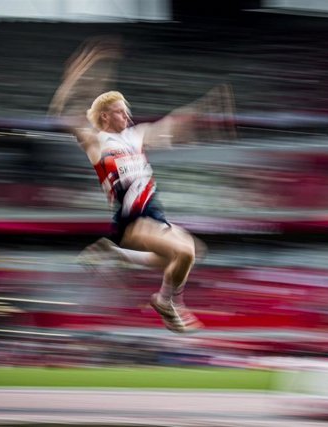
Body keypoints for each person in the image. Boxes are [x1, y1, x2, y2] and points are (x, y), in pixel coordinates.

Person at [49, 38, 235, 333]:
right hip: (132, 221)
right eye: (121, 112)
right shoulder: (97, 142)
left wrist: (203, 112)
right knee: (183, 254)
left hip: (155, 216)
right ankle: (166, 302)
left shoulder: (136, 136)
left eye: (127, 110)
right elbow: (64, 113)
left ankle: (116, 255)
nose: (128, 115)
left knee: (192, 251)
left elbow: (170, 125)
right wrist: (78, 74)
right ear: (106, 117)